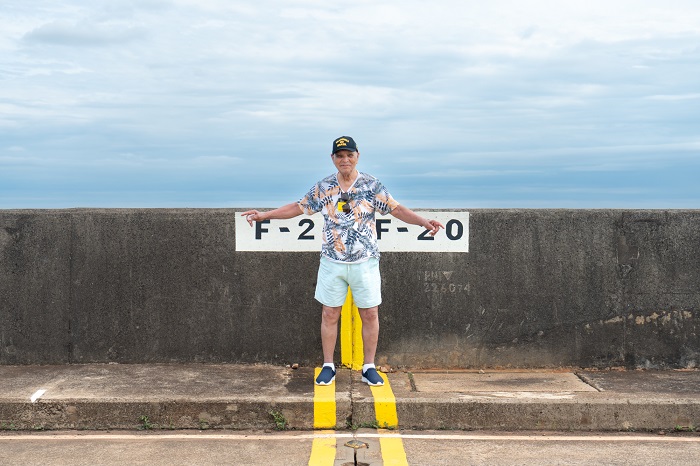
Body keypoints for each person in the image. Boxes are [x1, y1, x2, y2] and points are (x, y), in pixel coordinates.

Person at [242, 136, 444, 386]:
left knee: (370, 313)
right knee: (329, 313)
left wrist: (424, 222)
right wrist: (265, 215)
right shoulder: (324, 186)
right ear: (333, 159)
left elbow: (397, 209)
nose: (345, 159)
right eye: (340, 155)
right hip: (332, 261)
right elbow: (298, 207)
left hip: (365, 261)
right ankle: (328, 365)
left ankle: (368, 366)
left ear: (357, 156)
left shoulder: (372, 185)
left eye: (349, 154)